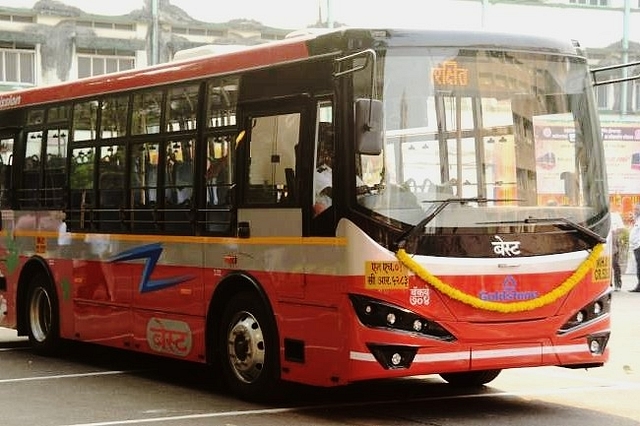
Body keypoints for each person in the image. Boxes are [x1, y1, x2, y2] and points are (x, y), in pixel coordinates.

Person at [628, 203, 640, 292]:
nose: (635, 211)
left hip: (639, 246)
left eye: (637, 209)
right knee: (638, 267)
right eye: (634, 209)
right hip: (636, 247)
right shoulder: (637, 220)